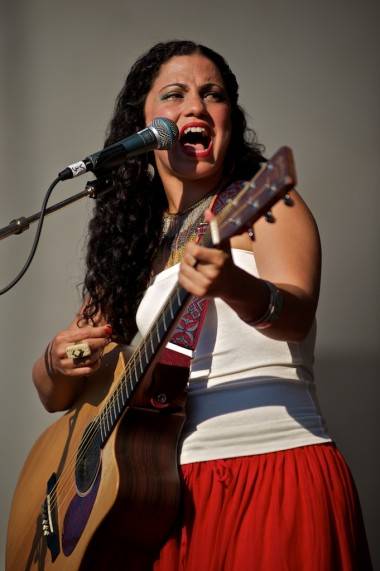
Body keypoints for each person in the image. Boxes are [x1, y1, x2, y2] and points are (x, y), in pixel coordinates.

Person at [32, 40, 372, 570]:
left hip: (273, 469)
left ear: (228, 120)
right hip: (163, 498)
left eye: (212, 95)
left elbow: (299, 313)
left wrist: (235, 286)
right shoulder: (132, 251)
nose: (195, 106)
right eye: (174, 95)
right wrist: (56, 360)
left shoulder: (264, 201)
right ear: (140, 127)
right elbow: (55, 395)